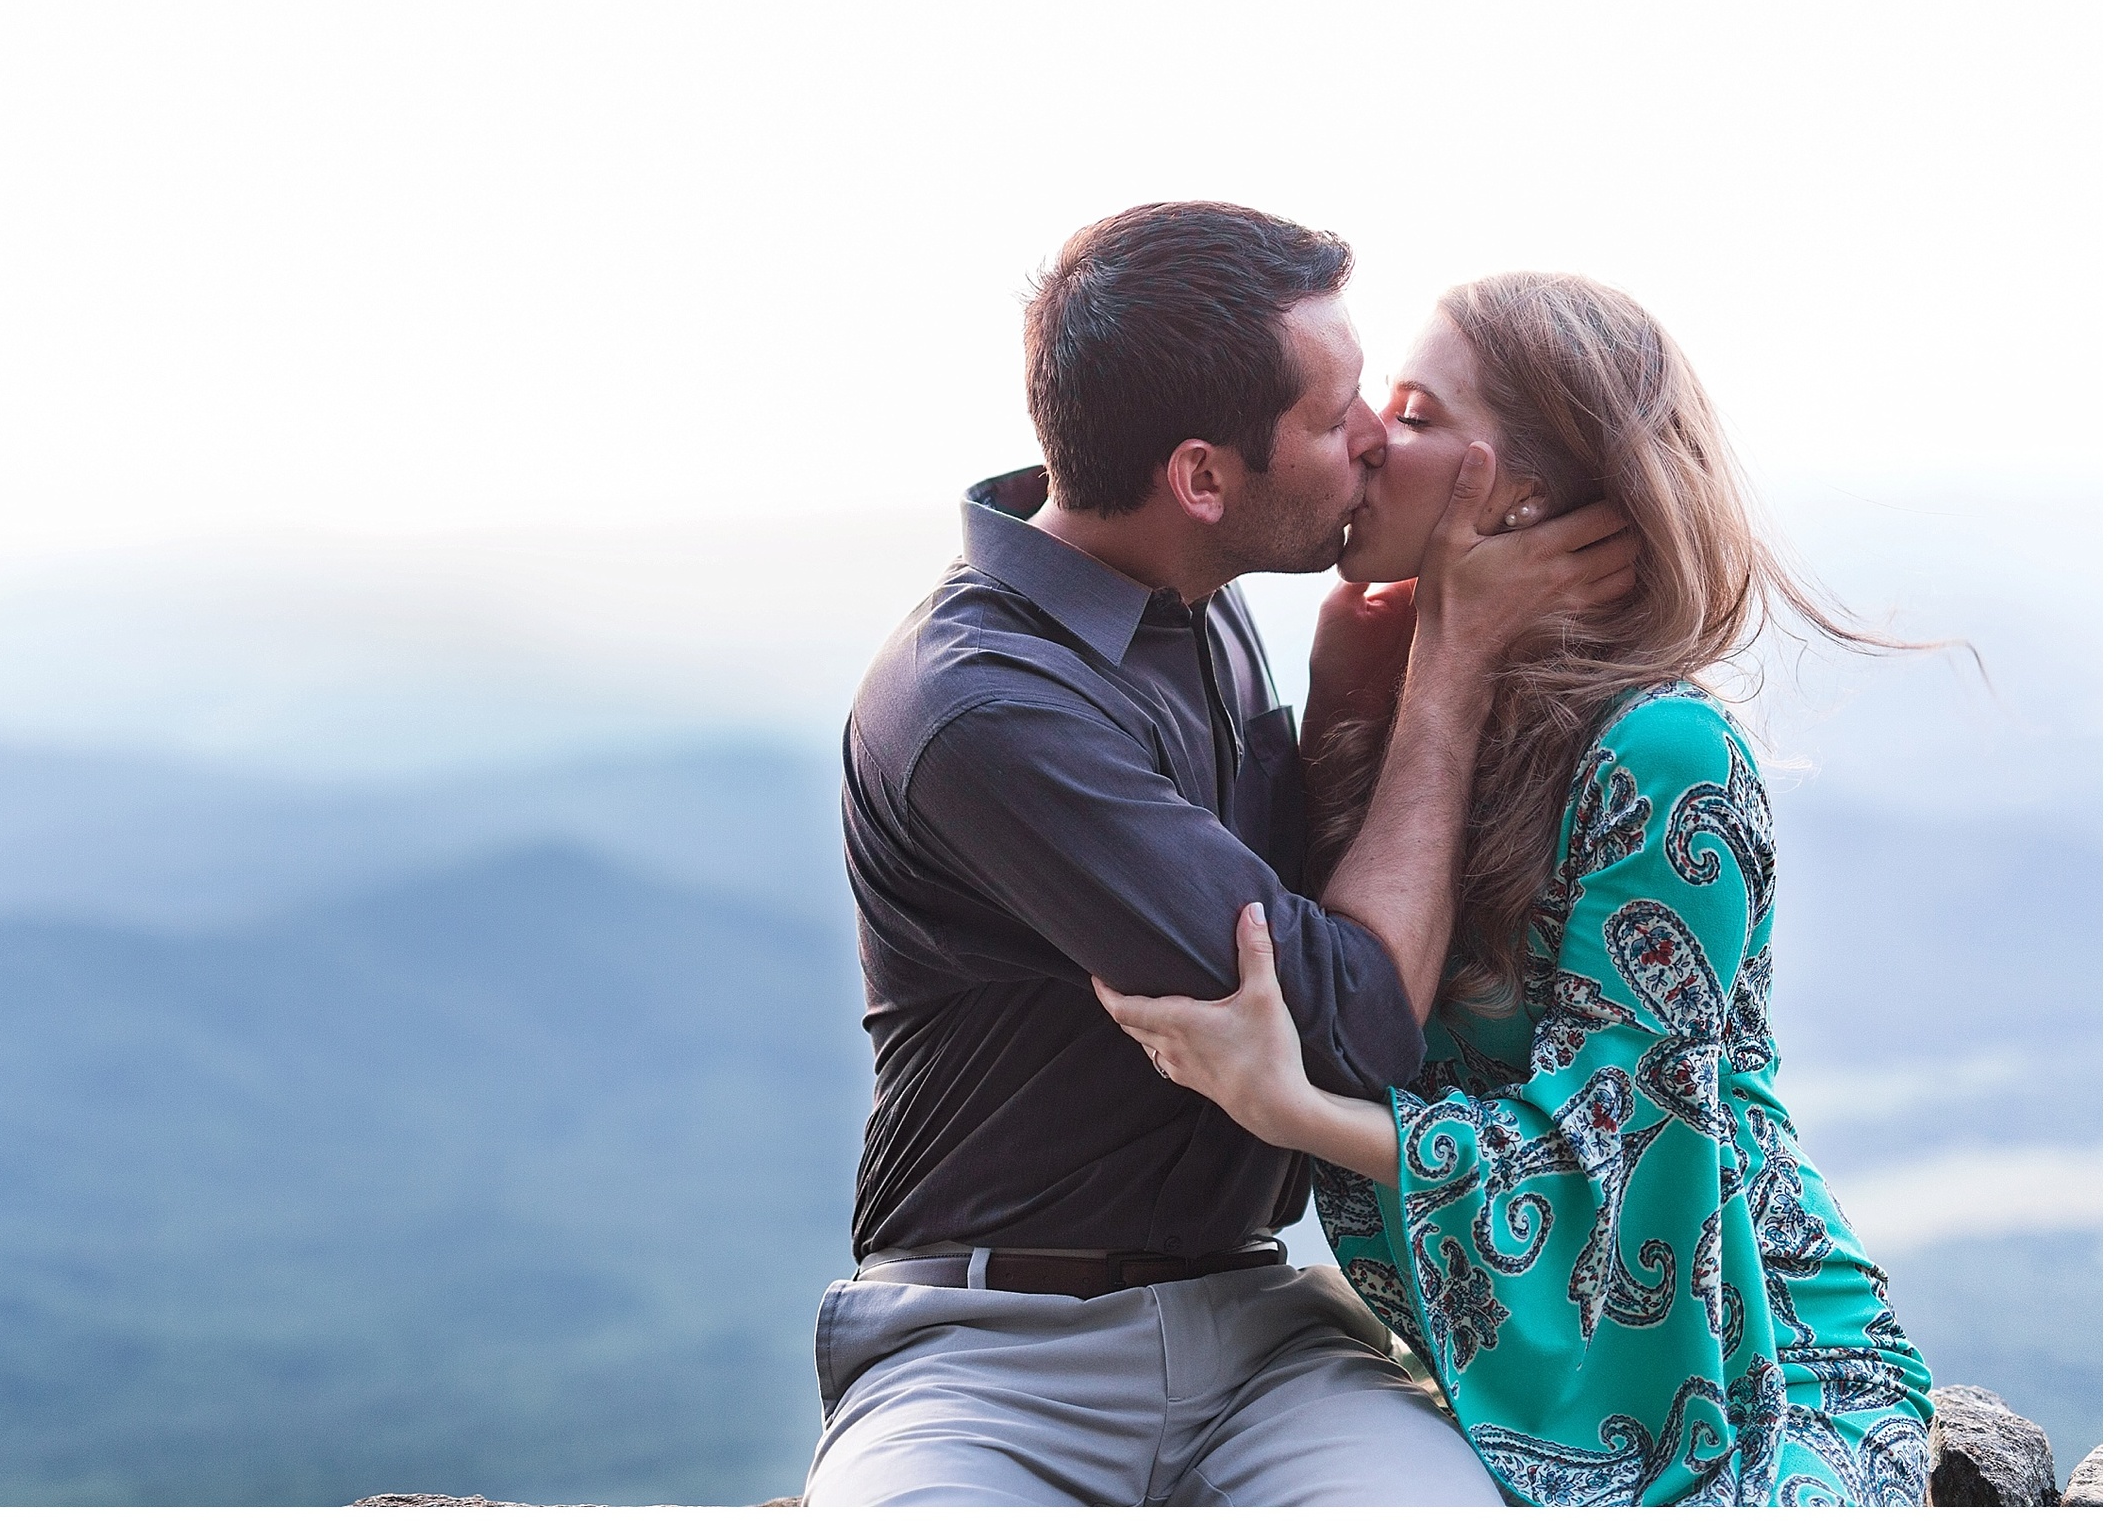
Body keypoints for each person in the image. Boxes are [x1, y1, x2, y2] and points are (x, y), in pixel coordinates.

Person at [808, 204, 1638, 1506]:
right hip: (985, 1354)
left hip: (1260, 1331)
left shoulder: (1194, 597)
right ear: (1202, 477)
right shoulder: (985, 709)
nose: (1372, 437)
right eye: (1337, 412)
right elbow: (1360, 1021)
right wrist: (1451, 666)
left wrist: (1351, 694)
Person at [1096, 271, 1935, 1505]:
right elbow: (1342, 988)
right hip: (1501, 1382)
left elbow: (1621, 1158)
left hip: (1758, 1362)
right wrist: (1345, 700)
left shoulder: (1663, 758)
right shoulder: (1398, 701)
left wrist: (1293, 1113)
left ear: (1527, 496)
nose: (1370, 440)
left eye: (1419, 411)